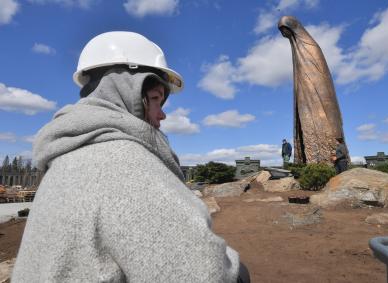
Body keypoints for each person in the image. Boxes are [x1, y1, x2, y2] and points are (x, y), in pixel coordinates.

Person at [13, 31, 249, 282]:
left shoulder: (66, 157)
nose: (162, 115)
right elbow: (204, 275)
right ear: (132, 92)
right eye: (157, 99)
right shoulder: (121, 164)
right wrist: (238, 272)